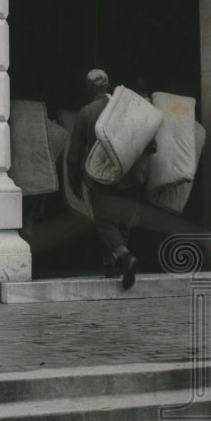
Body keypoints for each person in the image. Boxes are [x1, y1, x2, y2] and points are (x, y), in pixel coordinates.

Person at [65, 69, 150, 290]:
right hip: (131, 176)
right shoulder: (128, 108)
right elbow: (150, 144)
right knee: (122, 220)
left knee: (104, 221)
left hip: (103, 177)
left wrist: (73, 181)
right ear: (108, 84)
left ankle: (124, 257)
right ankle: (114, 265)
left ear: (88, 88)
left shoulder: (86, 112)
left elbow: (74, 153)